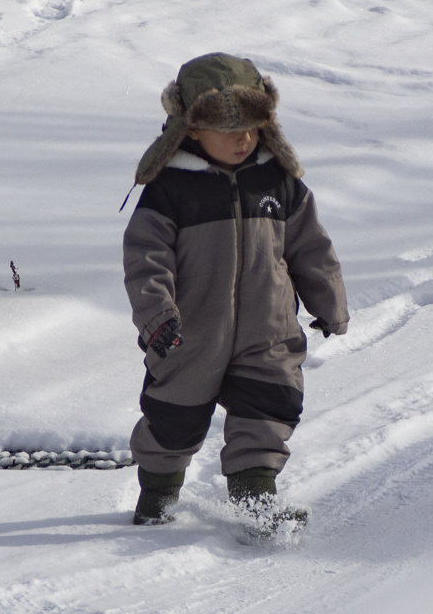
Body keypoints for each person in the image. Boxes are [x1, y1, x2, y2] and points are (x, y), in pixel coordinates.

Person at [123, 53, 349, 526]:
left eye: (251, 127)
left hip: (268, 328)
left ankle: (256, 504)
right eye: (228, 130)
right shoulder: (171, 189)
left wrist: (329, 302)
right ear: (191, 129)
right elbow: (146, 261)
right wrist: (157, 316)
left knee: (268, 407)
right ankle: (157, 499)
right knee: (174, 418)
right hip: (189, 333)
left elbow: (311, 248)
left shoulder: (279, 182)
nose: (243, 139)